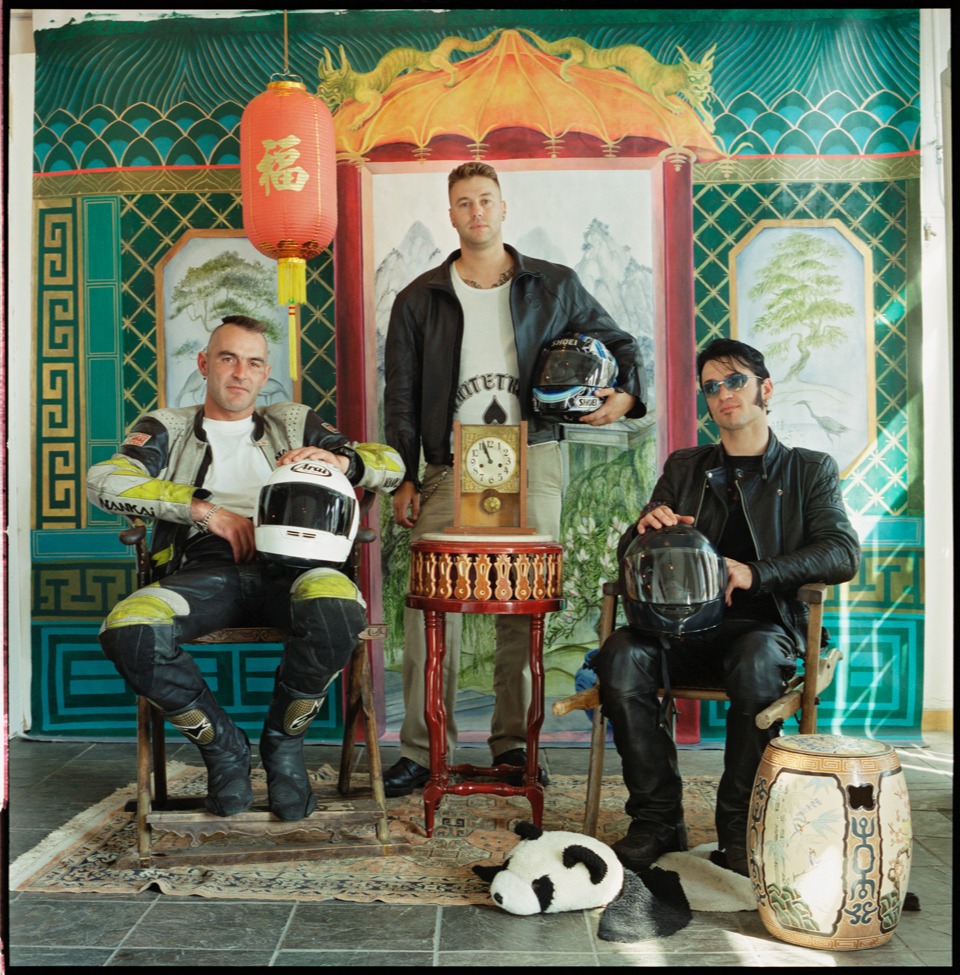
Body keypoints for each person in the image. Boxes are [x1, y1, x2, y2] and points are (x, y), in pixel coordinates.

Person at [382, 161, 647, 796]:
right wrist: (403, 478)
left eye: (486, 200)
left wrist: (627, 397)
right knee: (429, 613)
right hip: (450, 463)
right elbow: (401, 394)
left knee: (520, 609)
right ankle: (423, 749)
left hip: (534, 456)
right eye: (464, 202)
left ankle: (513, 748)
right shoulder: (419, 297)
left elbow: (621, 343)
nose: (476, 212)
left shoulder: (552, 285)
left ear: (504, 209)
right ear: (451, 214)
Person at [87, 315, 404, 822]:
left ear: (265, 373)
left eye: (253, 362)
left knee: (339, 607)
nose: (240, 372)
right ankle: (222, 747)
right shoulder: (165, 426)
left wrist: (342, 462)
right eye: (228, 358)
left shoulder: (295, 421)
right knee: (129, 631)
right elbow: (103, 480)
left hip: (299, 567)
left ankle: (283, 743)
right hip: (206, 570)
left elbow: (390, 464)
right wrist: (204, 511)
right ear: (204, 364)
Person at [595, 337, 861, 875]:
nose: (723, 394)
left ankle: (741, 825)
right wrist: (641, 531)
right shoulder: (686, 466)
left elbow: (841, 551)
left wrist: (755, 573)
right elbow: (635, 552)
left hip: (762, 631)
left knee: (757, 658)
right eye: (711, 387)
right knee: (620, 655)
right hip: (678, 631)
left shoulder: (809, 470)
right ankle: (657, 819)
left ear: (765, 389)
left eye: (734, 381)